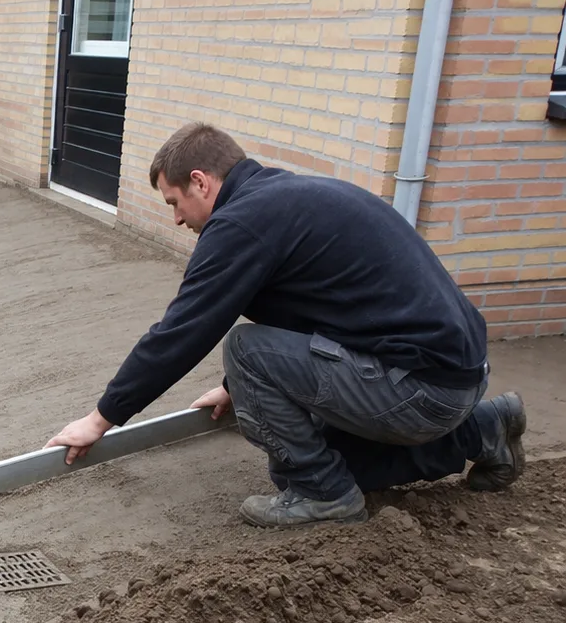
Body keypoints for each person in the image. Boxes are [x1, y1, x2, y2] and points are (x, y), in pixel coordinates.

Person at [46, 122, 527, 527]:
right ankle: (483, 430)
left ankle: (324, 495)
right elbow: (313, 311)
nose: (176, 219)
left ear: (201, 181)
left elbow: (183, 330)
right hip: (454, 377)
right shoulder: (283, 197)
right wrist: (234, 389)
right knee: (308, 461)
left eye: (174, 202)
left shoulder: (242, 223)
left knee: (248, 353)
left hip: (423, 390)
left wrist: (100, 419)